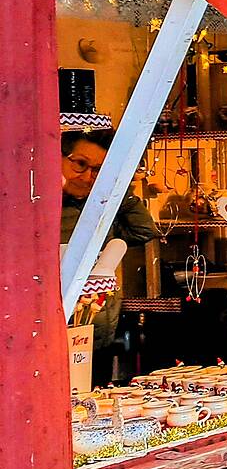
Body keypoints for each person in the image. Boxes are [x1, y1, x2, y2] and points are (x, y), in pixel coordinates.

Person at [61, 129, 157, 381]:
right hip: (55, 328)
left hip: (97, 327)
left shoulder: (101, 209)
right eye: (80, 164)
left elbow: (144, 230)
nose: (87, 177)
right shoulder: (40, 206)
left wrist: (117, 192)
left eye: (98, 170)